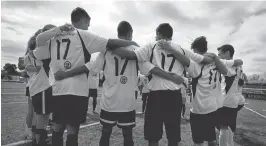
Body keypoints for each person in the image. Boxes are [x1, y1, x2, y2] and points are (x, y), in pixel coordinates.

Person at [53, 21, 183, 146]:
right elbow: (149, 70)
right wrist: (170, 76)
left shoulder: (106, 50)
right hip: (127, 102)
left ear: (118, 33)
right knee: (127, 135)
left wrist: (66, 74)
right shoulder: (136, 50)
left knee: (105, 133)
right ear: (130, 34)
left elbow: (89, 67)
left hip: (109, 101)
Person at [30, 7, 141, 146]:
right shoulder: (84, 35)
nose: (89, 26)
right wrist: (131, 43)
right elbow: (110, 43)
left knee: (57, 128)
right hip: (78, 90)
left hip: (58, 89)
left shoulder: (54, 37)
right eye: (88, 23)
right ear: (82, 20)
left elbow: (37, 51)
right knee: (72, 130)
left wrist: (55, 31)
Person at [111, 23, 217, 146]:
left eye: (156, 35)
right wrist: (214, 58)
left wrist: (110, 48)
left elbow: (130, 55)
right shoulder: (181, 49)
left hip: (156, 96)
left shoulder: (151, 46)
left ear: (159, 34)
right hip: (174, 97)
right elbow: (203, 59)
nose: (155, 38)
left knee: (153, 137)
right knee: (173, 136)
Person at [158, 36, 243, 146]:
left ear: (196, 51)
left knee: (198, 142)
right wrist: (215, 58)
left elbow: (184, 59)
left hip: (200, 108)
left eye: (194, 51)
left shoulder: (196, 65)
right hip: (213, 107)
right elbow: (236, 63)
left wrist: (170, 49)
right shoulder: (217, 61)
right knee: (211, 138)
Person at [24, 24, 56, 146]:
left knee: (37, 114)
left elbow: (27, 66)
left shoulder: (35, 49)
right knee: (43, 117)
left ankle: (35, 136)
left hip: (35, 86)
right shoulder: (45, 48)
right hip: (42, 87)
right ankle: (39, 141)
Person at [217, 44, 245, 146]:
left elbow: (226, 72)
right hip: (235, 100)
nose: (218, 57)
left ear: (227, 53)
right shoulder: (239, 66)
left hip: (227, 101)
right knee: (229, 126)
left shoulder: (229, 67)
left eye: (220, 54)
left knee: (223, 127)